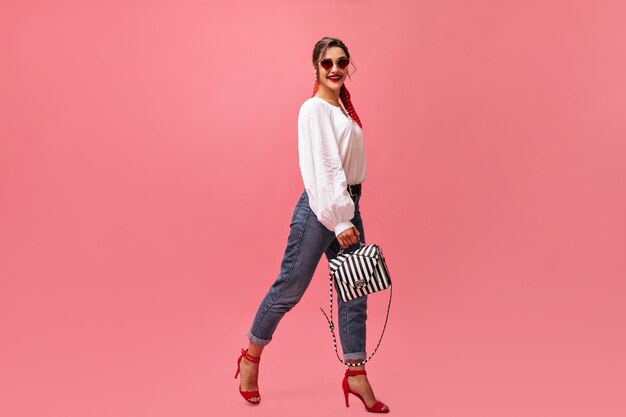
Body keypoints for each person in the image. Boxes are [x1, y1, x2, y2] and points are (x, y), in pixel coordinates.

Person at [234, 36, 389, 413]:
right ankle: (250, 358)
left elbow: (349, 168)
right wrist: (339, 220)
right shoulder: (313, 109)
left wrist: (347, 212)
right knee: (289, 289)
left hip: (346, 206)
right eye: (327, 63)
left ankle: (356, 373)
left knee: (357, 291)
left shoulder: (343, 111)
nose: (335, 68)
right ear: (316, 67)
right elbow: (323, 167)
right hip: (323, 210)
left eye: (342, 62)